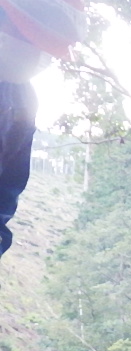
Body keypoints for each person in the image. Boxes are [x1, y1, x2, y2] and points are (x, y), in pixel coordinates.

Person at [0, 0, 85, 259]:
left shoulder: (22, 99)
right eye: (25, 35)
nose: (32, 52)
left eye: (41, 45)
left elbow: (6, 193)